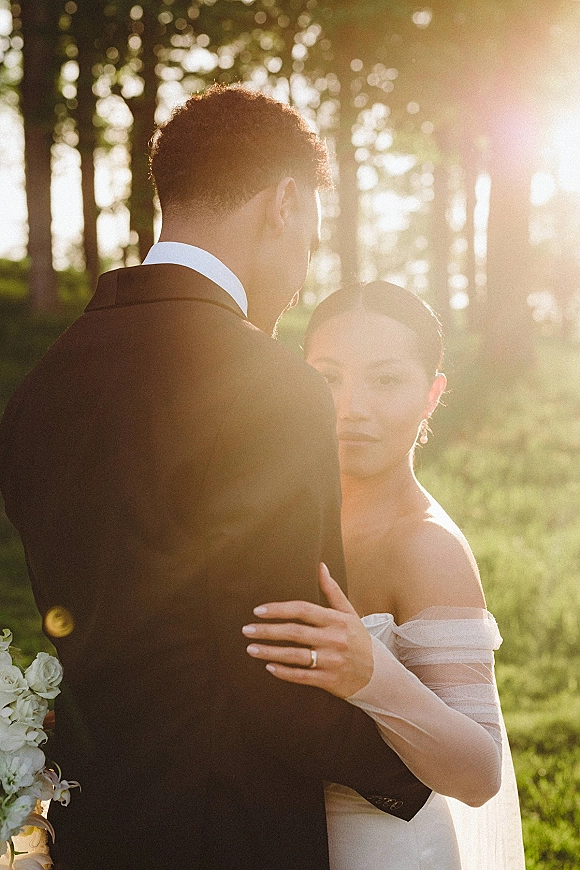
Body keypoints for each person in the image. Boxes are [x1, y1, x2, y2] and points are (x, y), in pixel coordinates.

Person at [0, 88, 431, 870]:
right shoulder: (269, 383)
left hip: (92, 824)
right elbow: (279, 664)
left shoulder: (43, 384)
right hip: (231, 827)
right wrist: (425, 770)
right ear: (284, 203)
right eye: (311, 235)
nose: (304, 271)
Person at [243, 281, 526, 869]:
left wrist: (371, 675)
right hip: (271, 836)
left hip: (382, 849)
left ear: (431, 395)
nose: (353, 407)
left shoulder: (427, 546)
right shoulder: (275, 513)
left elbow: (479, 773)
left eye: (387, 379)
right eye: (329, 376)